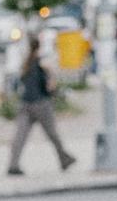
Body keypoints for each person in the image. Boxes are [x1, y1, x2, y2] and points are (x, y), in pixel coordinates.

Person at [9, 29, 75, 173]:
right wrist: (52, 76)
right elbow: (50, 86)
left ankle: (13, 165)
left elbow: (17, 84)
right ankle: (64, 159)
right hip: (41, 104)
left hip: (25, 103)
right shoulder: (42, 63)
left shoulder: (25, 64)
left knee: (20, 136)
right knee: (52, 134)